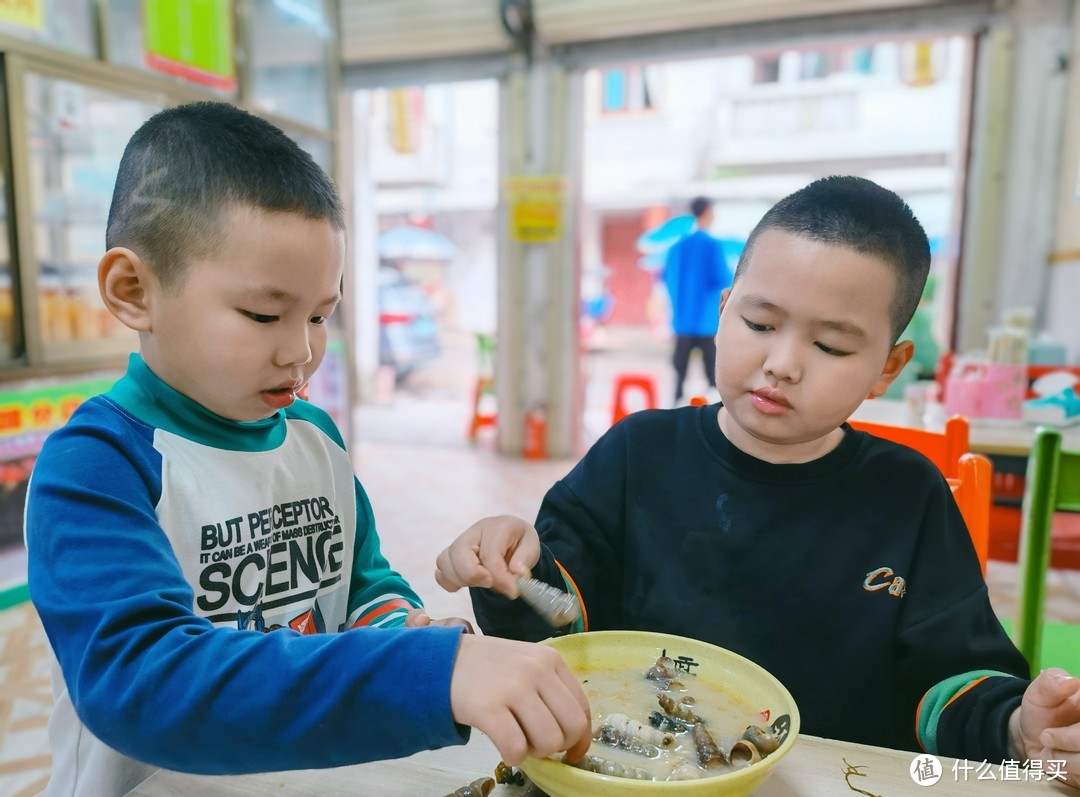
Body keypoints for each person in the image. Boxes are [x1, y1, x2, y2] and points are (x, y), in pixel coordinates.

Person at [24, 102, 590, 797]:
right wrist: (427, 674)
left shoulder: (314, 439)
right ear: (133, 290)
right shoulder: (97, 465)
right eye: (264, 315)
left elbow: (362, 590)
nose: (301, 351)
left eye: (321, 313)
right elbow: (144, 682)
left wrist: (410, 633)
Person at [436, 176, 1080, 787]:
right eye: (760, 324)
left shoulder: (909, 496)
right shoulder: (638, 457)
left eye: (830, 347)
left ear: (888, 367)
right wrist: (512, 571)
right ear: (722, 312)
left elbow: (953, 680)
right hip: (641, 780)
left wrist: (1020, 728)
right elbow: (561, 635)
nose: (782, 364)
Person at [662, 196, 731, 405]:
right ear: (707, 212)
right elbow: (723, 278)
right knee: (713, 378)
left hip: (681, 321)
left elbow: (667, 278)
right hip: (706, 322)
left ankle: (674, 409)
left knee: (679, 377)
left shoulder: (677, 247)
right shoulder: (713, 245)